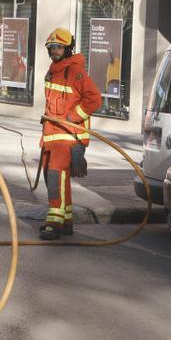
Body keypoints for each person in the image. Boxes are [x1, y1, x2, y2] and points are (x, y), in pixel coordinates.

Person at [38, 28, 103, 240]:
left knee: (55, 175)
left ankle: (54, 223)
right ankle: (66, 221)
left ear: (67, 48)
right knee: (56, 178)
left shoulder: (76, 72)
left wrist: (73, 116)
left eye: (58, 47)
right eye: (51, 48)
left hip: (67, 135)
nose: (54, 51)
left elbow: (94, 99)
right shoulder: (53, 71)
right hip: (52, 133)